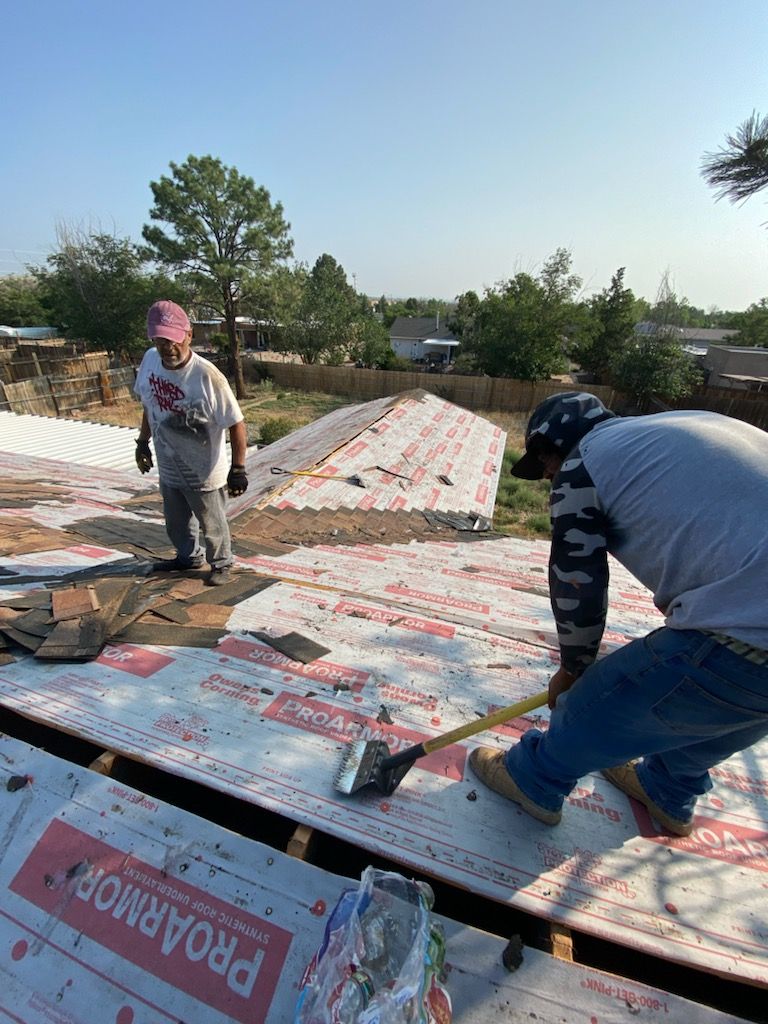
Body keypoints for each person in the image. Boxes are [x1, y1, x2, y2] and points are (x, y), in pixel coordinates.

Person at [469, 392, 768, 836]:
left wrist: (574, 668)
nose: (549, 477)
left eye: (545, 465)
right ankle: (667, 788)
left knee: (593, 701)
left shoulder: (582, 464)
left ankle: (533, 778)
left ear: (554, 448)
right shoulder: (674, 428)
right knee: (735, 709)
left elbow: (577, 582)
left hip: (749, 629)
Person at [134, 300, 249, 587]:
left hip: (204, 472)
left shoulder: (207, 376)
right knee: (176, 523)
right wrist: (142, 442)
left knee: (212, 525)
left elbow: (236, 423)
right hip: (169, 466)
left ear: (188, 335)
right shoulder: (149, 362)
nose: (167, 347)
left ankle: (222, 563)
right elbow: (149, 405)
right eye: (160, 339)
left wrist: (238, 468)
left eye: (173, 339)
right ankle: (188, 558)